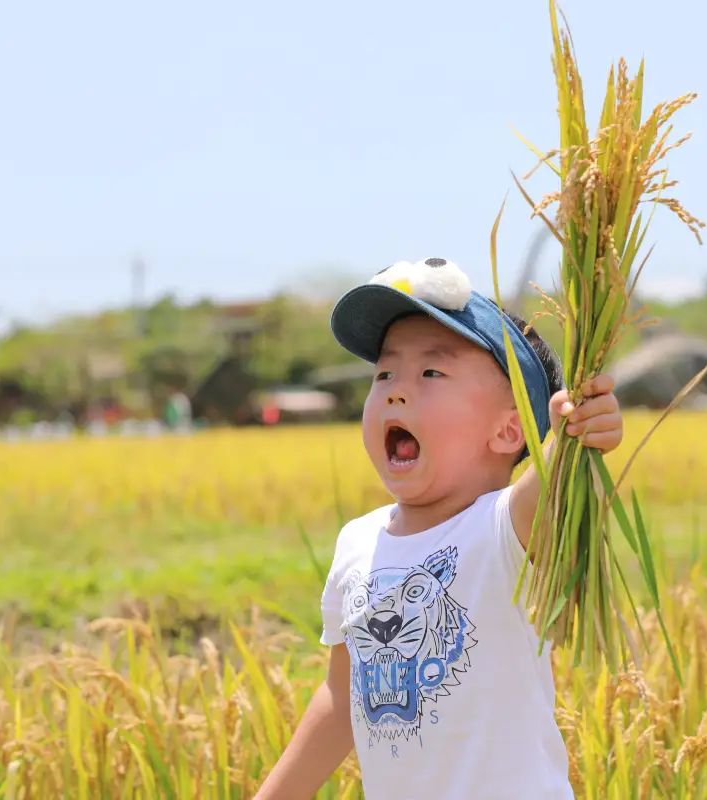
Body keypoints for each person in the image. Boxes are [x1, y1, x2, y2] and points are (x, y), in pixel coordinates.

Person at [254, 257, 624, 800]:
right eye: (384, 373)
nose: (396, 392)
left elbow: (562, 480)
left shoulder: (504, 530)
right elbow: (342, 697)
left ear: (508, 430)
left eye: (432, 372)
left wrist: (580, 428)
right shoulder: (358, 542)